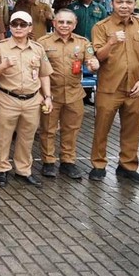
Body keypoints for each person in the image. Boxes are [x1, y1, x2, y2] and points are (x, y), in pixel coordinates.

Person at [0, 11, 54, 188]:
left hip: (32, 99)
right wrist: (4, 65)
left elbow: (44, 75)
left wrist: (48, 97)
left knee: (27, 137)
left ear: (30, 28)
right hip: (7, 97)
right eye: (14, 24)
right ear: (9, 27)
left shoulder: (38, 48)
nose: (18, 28)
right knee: (3, 136)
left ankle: (23, 170)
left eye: (23, 24)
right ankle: (1, 169)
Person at [89, 0, 139, 184]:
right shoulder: (101, 27)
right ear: (112, 3)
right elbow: (98, 57)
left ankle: (127, 166)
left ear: (134, 4)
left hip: (136, 88)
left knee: (133, 128)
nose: (124, 6)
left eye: (128, 2)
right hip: (109, 87)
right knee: (102, 127)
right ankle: (98, 164)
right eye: (120, 2)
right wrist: (111, 42)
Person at [37, 10, 99, 179]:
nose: (65, 25)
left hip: (74, 93)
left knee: (71, 129)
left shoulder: (83, 42)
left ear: (75, 24)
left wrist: (94, 64)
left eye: (68, 23)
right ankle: (48, 162)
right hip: (51, 93)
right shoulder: (42, 42)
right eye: (61, 22)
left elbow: (90, 60)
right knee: (48, 129)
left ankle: (67, 162)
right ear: (54, 23)